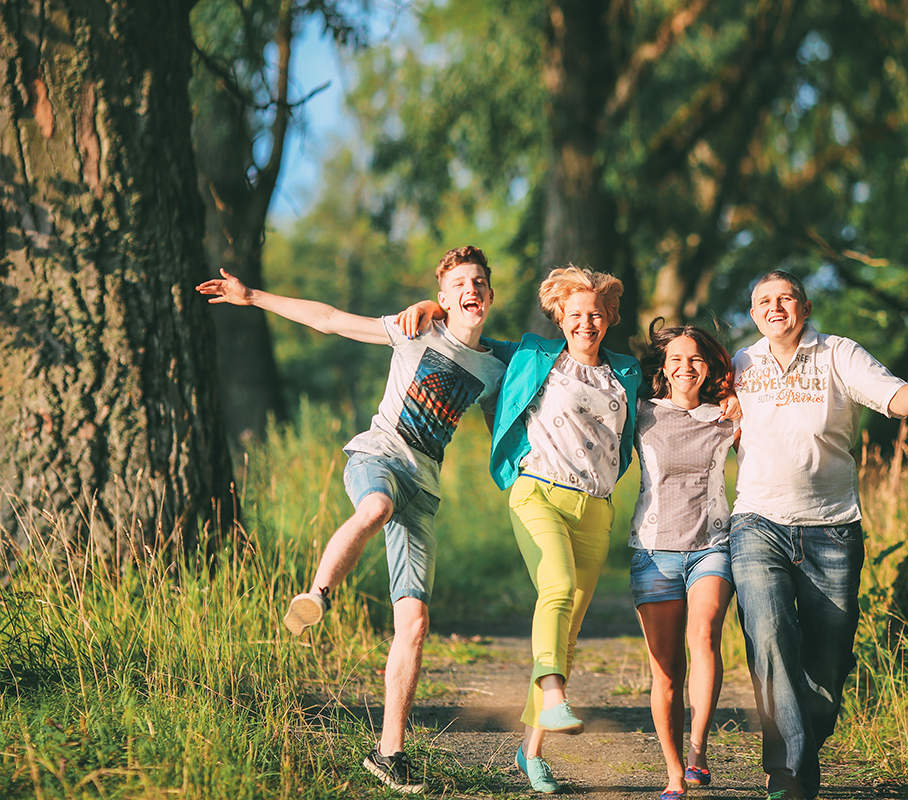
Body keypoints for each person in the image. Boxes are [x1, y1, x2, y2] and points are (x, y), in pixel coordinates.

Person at [195, 247, 506, 794]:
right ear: (443, 298)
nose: (470, 290)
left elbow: (524, 402)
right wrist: (251, 297)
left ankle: (390, 755)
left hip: (426, 490)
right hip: (378, 458)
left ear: (490, 295)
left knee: (413, 624)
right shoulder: (413, 330)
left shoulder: (497, 367)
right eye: (458, 283)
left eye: (479, 282)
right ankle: (317, 594)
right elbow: (331, 320)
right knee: (375, 507)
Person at [398, 266, 641, 794]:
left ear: (611, 318)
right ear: (560, 315)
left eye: (596, 314)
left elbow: (670, 402)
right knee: (554, 588)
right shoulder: (531, 355)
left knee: (568, 630)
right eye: (575, 313)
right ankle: (553, 695)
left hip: (596, 509)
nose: (586, 322)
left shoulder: (627, 373)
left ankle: (530, 752)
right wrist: (434, 306)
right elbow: (470, 329)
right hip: (537, 493)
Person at [729, 269, 908, 800]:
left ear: (804, 307)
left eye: (785, 299)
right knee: (771, 635)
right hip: (757, 522)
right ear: (754, 313)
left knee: (829, 656)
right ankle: (787, 774)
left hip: (832, 528)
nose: (774, 308)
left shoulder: (838, 354)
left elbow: (891, 396)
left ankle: (805, 745)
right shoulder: (741, 362)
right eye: (763, 301)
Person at [628, 321, 739, 800]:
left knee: (705, 633)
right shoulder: (641, 414)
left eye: (695, 359)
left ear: (708, 366)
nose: (686, 367)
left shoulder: (729, 416)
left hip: (712, 545)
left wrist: (739, 402)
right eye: (676, 359)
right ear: (664, 369)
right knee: (667, 670)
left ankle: (698, 751)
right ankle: (673, 773)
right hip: (653, 552)